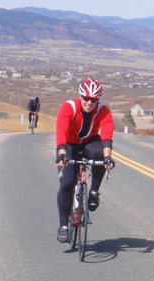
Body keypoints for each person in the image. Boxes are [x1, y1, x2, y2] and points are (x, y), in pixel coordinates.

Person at [55, 78, 115, 243]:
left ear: (98, 100)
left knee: (101, 155)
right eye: (86, 98)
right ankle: (63, 227)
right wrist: (61, 154)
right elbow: (60, 131)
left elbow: (107, 135)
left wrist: (108, 157)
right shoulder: (69, 107)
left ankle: (94, 191)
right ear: (80, 96)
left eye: (93, 99)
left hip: (90, 142)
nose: (89, 102)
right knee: (67, 183)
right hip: (68, 145)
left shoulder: (103, 110)